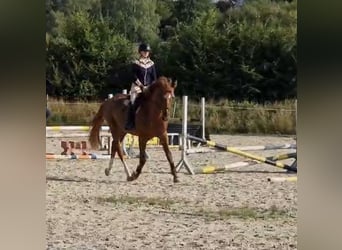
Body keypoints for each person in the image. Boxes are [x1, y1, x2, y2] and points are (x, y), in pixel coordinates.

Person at [125, 43, 157, 130]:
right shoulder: (136, 63)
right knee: (133, 101)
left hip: (149, 87)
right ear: (141, 52)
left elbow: (154, 77)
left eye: (147, 51)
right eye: (144, 51)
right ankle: (130, 123)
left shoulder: (151, 63)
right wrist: (141, 86)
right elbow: (133, 76)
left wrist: (150, 86)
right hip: (137, 87)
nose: (146, 53)